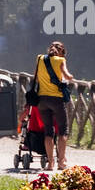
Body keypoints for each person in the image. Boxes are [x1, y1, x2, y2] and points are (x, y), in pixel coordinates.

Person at [34, 41, 75, 170]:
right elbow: (67, 76)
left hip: (41, 100)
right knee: (63, 130)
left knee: (48, 131)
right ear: (61, 51)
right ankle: (61, 162)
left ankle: (50, 163)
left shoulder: (40, 58)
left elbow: (37, 78)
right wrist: (70, 77)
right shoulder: (60, 61)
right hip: (56, 100)